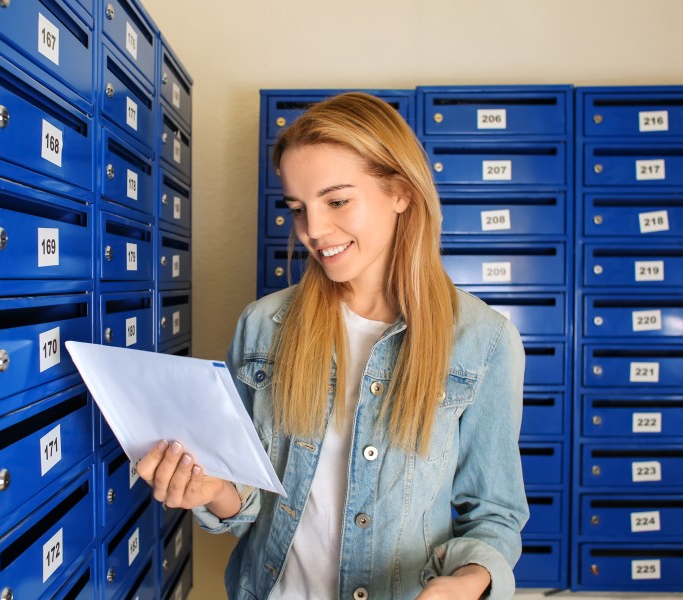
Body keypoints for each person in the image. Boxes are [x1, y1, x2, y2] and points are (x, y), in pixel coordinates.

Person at [137, 91, 528, 600]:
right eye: (298, 208)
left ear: (401, 193)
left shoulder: (484, 341)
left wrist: (470, 582)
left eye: (337, 200)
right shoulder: (263, 326)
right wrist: (213, 492)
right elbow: (246, 499)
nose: (313, 231)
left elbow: (494, 515)